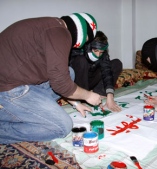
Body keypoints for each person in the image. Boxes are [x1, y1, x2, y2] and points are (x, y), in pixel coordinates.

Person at [0, 12, 102, 144]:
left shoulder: (52, 25)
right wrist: (88, 96)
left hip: (19, 80)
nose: (81, 45)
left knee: (69, 72)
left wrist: (75, 103)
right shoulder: (60, 33)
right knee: (62, 126)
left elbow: (58, 76)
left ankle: (28, 112)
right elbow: (61, 83)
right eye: (87, 39)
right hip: (8, 88)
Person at [69, 31, 123, 115]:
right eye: (96, 50)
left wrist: (110, 96)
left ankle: (99, 92)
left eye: (101, 52)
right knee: (81, 60)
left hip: (92, 80)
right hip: (79, 83)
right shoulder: (76, 50)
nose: (98, 55)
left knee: (116, 63)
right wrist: (85, 95)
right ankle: (84, 97)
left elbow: (107, 72)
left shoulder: (103, 54)